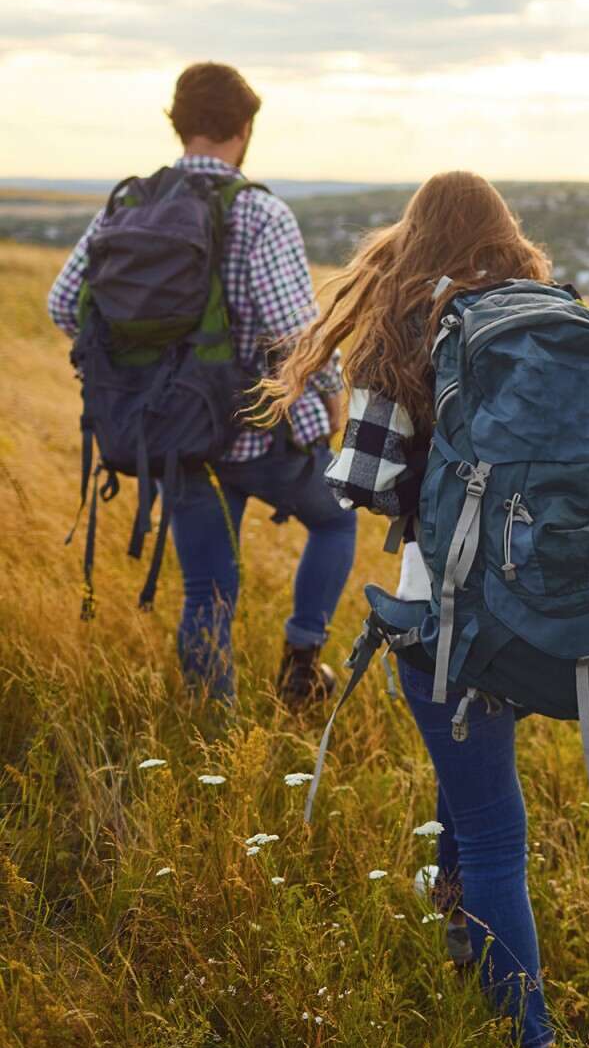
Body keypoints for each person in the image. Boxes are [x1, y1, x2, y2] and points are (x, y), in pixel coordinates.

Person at [258, 169, 589, 1048]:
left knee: (496, 830)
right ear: (508, 235)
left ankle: (528, 1046)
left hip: (445, 618)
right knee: (476, 782)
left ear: (415, 238)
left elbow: (366, 486)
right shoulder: (565, 318)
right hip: (550, 607)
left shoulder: (405, 334)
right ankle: (462, 930)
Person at [48, 62, 357, 706]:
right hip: (258, 439)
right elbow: (295, 331)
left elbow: (63, 302)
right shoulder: (261, 212)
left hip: (173, 435)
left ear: (178, 125)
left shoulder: (131, 202)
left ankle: (210, 733)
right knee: (335, 521)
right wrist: (330, 399)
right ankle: (301, 669)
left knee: (207, 590)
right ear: (245, 130)